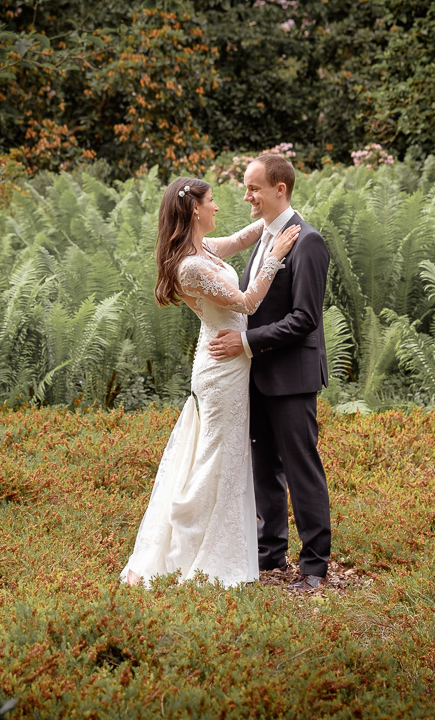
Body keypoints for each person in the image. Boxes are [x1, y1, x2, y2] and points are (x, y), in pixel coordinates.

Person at [120, 176, 300, 587]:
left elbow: (239, 238)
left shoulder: (205, 251)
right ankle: (196, 553)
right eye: (212, 201)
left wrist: (273, 211)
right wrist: (274, 255)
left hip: (231, 361)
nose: (219, 207)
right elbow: (249, 302)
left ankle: (229, 547)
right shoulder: (192, 266)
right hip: (221, 370)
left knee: (230, 455)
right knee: (217, 458)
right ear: (194, 209)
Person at [208, 154, 331, 591]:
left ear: (281, 188)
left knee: (302, 470)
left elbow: (304, 319)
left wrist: (244, 343)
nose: (247, 196)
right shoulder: (264, 237)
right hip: (256, 377)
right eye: (246, 187)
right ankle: (270, 554)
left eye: (254, 188)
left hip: (292, 378)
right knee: (265, 469)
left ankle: (315, 567)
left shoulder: (308, 241)